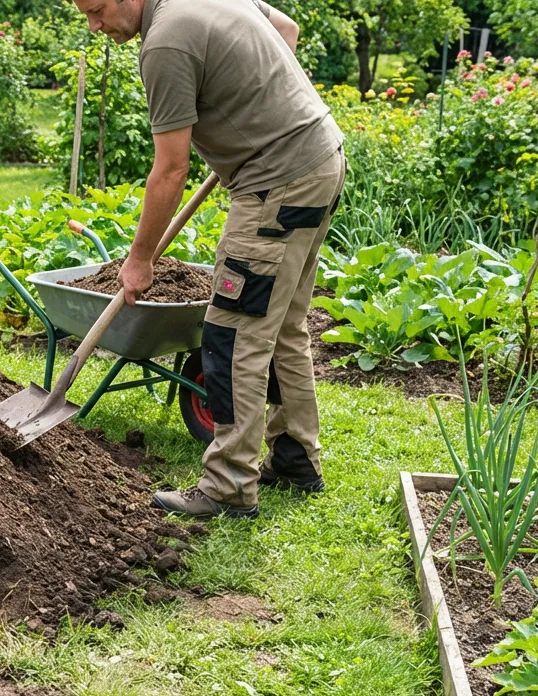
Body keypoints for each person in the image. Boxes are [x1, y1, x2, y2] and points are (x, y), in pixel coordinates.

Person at [73, 0, 346, 519]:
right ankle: (294, 458)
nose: (95, 25)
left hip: (278, 185)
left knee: (233, 333)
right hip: (319, 159)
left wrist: (140, 258)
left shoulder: (165, 42)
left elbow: (170, 169)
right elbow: (286, 28)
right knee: (282, 325)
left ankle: (228, 484)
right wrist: (257, 113)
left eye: (98, 9)